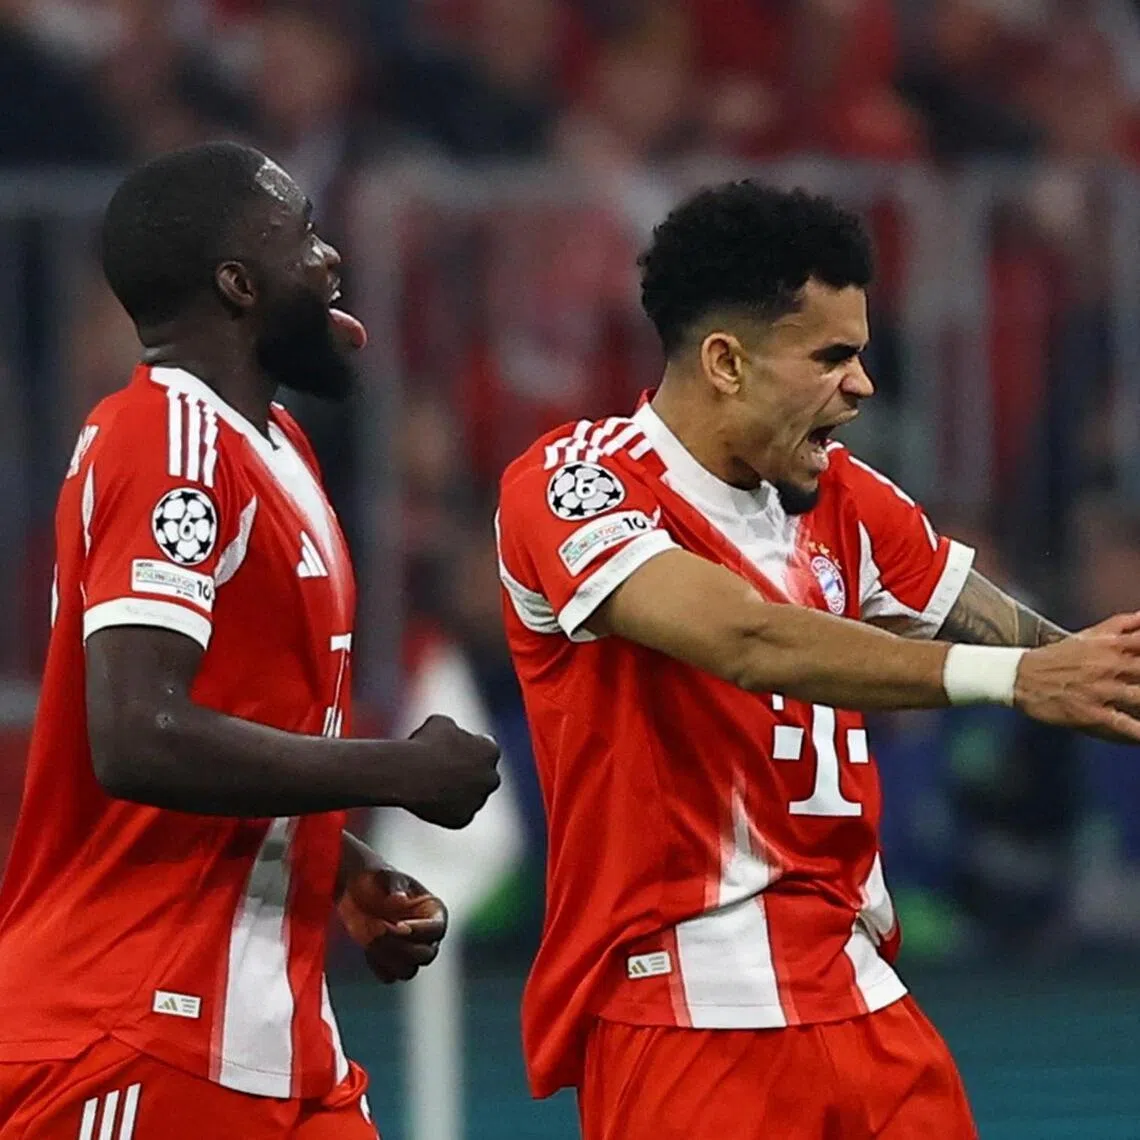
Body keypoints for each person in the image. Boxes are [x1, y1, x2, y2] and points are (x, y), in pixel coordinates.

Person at [495, 181, 1140, 1140]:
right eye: (832, 356)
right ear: (724, 360)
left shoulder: (843, 495)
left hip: (860, 990)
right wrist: (1016, 679)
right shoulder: (575, 483)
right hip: (689, 1008)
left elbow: (1036, 649)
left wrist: (1084, 670)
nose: (863, 384)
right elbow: (744, 640)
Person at [0, 142, 501, 1140]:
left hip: (278, 1039)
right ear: (237, 285)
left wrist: (339, 861)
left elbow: (235, 724)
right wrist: (397, 771)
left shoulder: (278, 450)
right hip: (133, 1028)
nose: (329, 262)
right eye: (304, 238)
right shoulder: (165, 442)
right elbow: (138, 735)